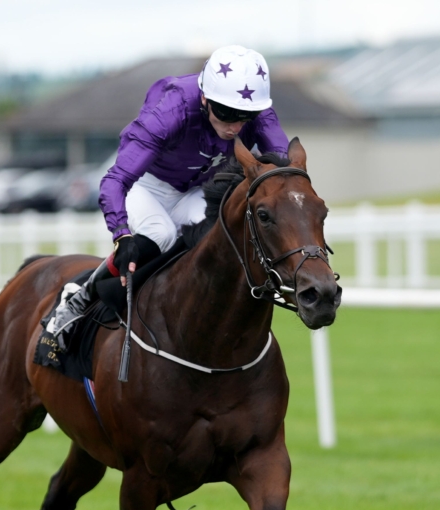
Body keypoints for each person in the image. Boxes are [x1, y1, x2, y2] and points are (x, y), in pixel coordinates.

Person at [46, 45, 290, 349]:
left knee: (222, 235)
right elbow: (115, 180)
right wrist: (121, 234)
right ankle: (80, 297)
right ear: (205, 98)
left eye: (246, 117)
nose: (235, 127)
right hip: (148, 186)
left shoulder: (256, 112)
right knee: (159, 233)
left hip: (196, 190)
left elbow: (284, 167)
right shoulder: (172, 109)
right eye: (227, 114)